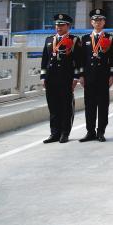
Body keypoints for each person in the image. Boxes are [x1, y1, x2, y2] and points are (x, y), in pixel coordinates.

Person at [40, 13, 81, 143]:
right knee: (53, 106)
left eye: (62, 25)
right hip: (51, 78)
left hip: (66, 77)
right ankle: (54, 133)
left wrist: (76, 78)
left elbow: (78, 61)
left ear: (68, 26)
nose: (59, 27)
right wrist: (43, 76)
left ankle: (65, 133)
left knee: (66, 106)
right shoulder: (49, 40)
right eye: (57, 25)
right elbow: (44, 60)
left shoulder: (74, 40)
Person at [78, 8, 113, 142]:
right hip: (89, 77)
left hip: (103, 76)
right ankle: (90, 132)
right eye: (95, 20)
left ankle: (101, 132)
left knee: (103, 105)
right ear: (91, 22)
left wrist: (112, 75)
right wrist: (81, 75)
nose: (97, 22)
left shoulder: (110, 38)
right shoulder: (85, 39)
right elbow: (81, 59)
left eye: (100, 20)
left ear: (104, 22)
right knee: (89, 105)